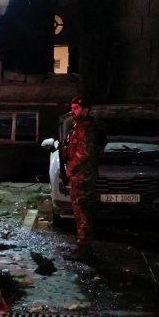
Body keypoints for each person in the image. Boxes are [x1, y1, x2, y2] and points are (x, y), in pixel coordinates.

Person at [62, 95, 99, 257]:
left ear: (86, 110)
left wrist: (71, 168)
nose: (73, 111)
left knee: (82, 211)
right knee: (79, 211)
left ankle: (84, 248)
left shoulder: (86, 128)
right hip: (79, 176)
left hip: (83, 176)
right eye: (72, 108)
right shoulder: (77, 126)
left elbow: (84, 152)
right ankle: (84, 246)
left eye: (76, 108)